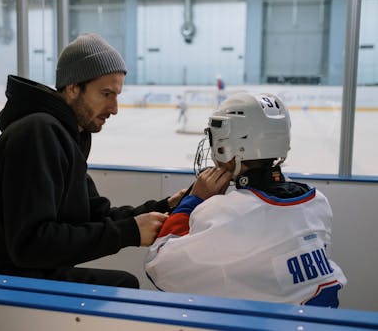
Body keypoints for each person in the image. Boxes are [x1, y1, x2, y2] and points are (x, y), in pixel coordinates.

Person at [0, 33, 185, 288]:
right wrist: (129, 233)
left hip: (25, 273)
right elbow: (30, 245)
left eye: (117, 96)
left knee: (123, 285)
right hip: (1, 283)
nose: (115, 108)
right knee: (123, 286)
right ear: (73, 87)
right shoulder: (38, 134)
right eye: (106, 94)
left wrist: (167, 207)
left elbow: (95, 215)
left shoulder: (66, 136)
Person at [145, 92, 347, 307]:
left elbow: (159, 265)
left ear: (228, 147)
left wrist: (193, 200)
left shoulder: (223, 212)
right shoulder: (317, 202)